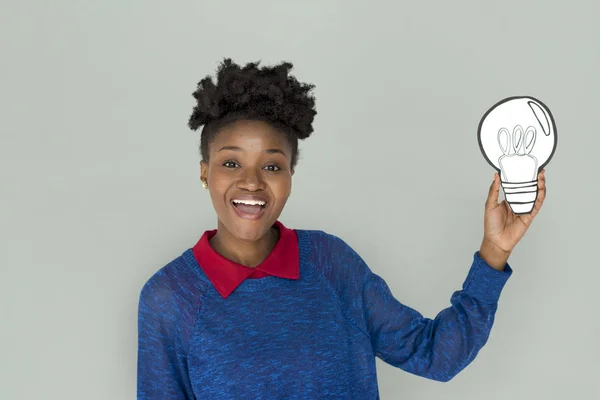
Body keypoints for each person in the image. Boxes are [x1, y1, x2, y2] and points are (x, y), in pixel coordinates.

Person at [136, 58, 546, 399]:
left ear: (291, 175)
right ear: (205, 173)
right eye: (230, 163)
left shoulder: (331, 264)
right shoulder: (169, 298)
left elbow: (436, 355)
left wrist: (494, 251)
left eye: (272, 165)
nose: (252, 182)